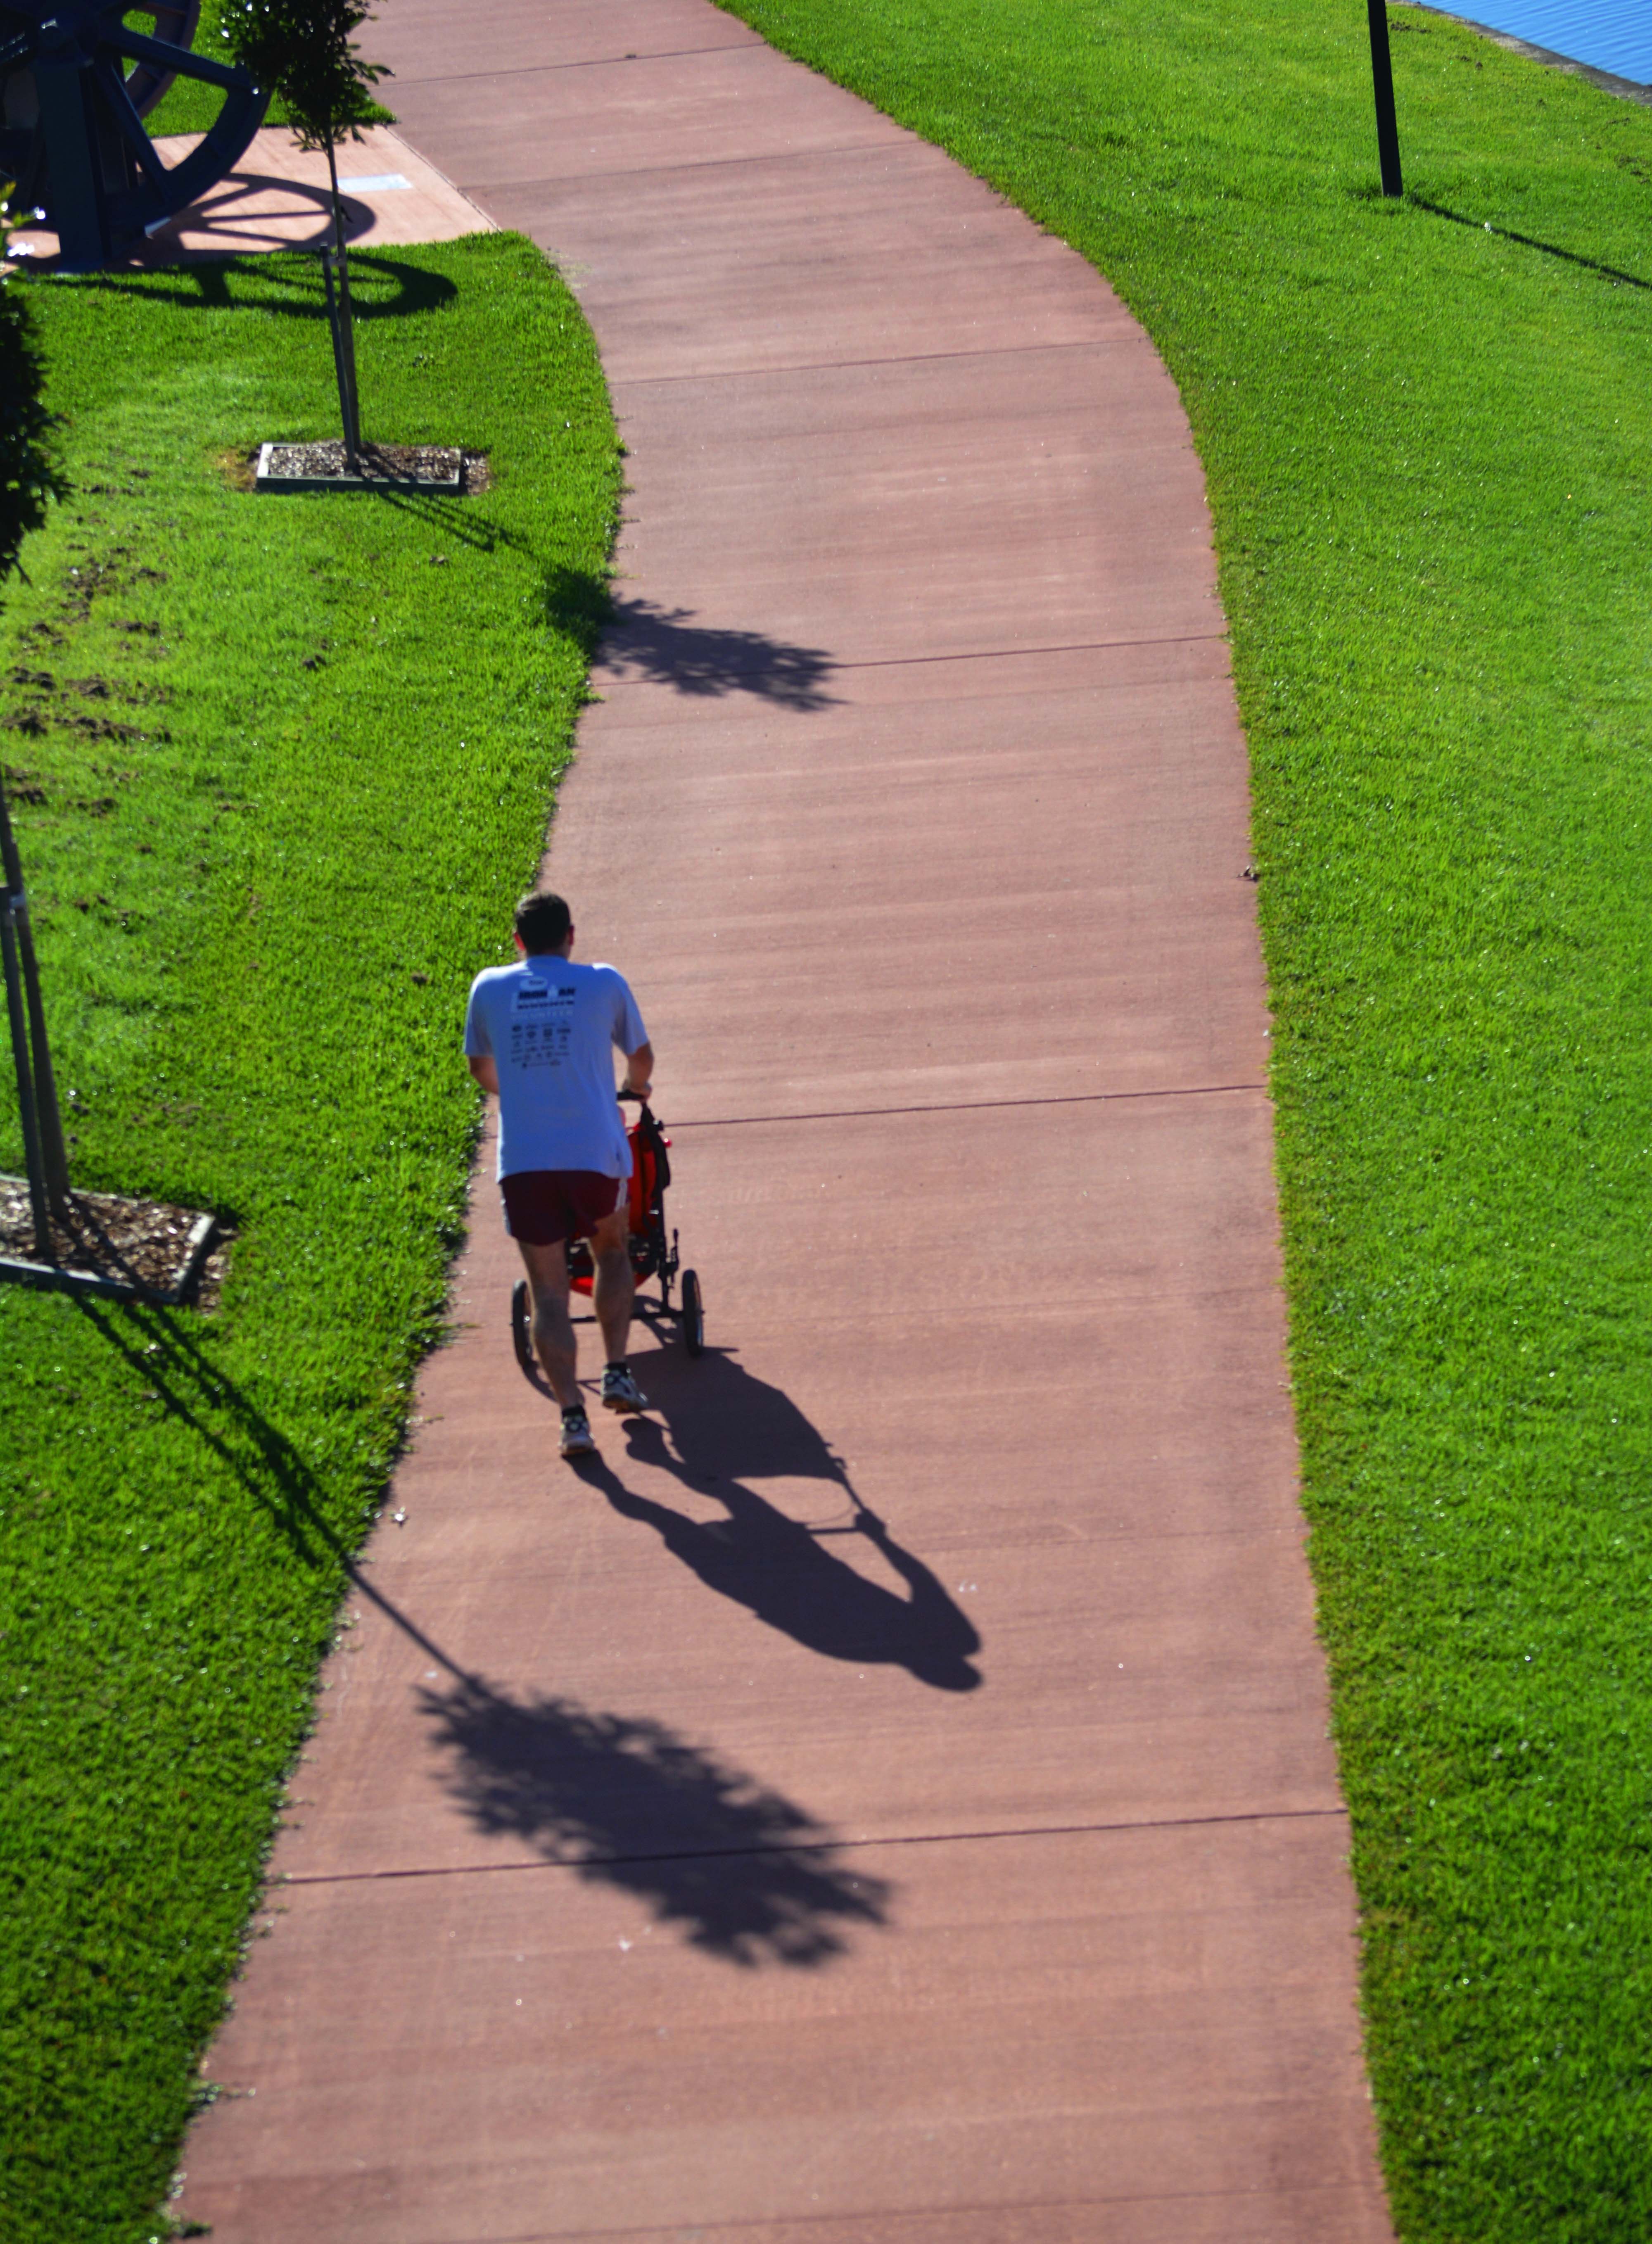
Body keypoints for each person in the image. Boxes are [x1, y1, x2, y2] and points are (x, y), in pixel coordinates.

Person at [464, 888, 655, 1459]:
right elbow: (641, 1058)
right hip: (595, 1152)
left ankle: (572, 1415)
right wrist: (635, 1088)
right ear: (571, 936)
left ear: (518, 941)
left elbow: (481, 1068)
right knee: (612, 1252)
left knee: (547, 1291)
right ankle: (618, 1369)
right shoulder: (603, 981)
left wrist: (525, 1091)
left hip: (525, 1161)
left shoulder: (489, 987)